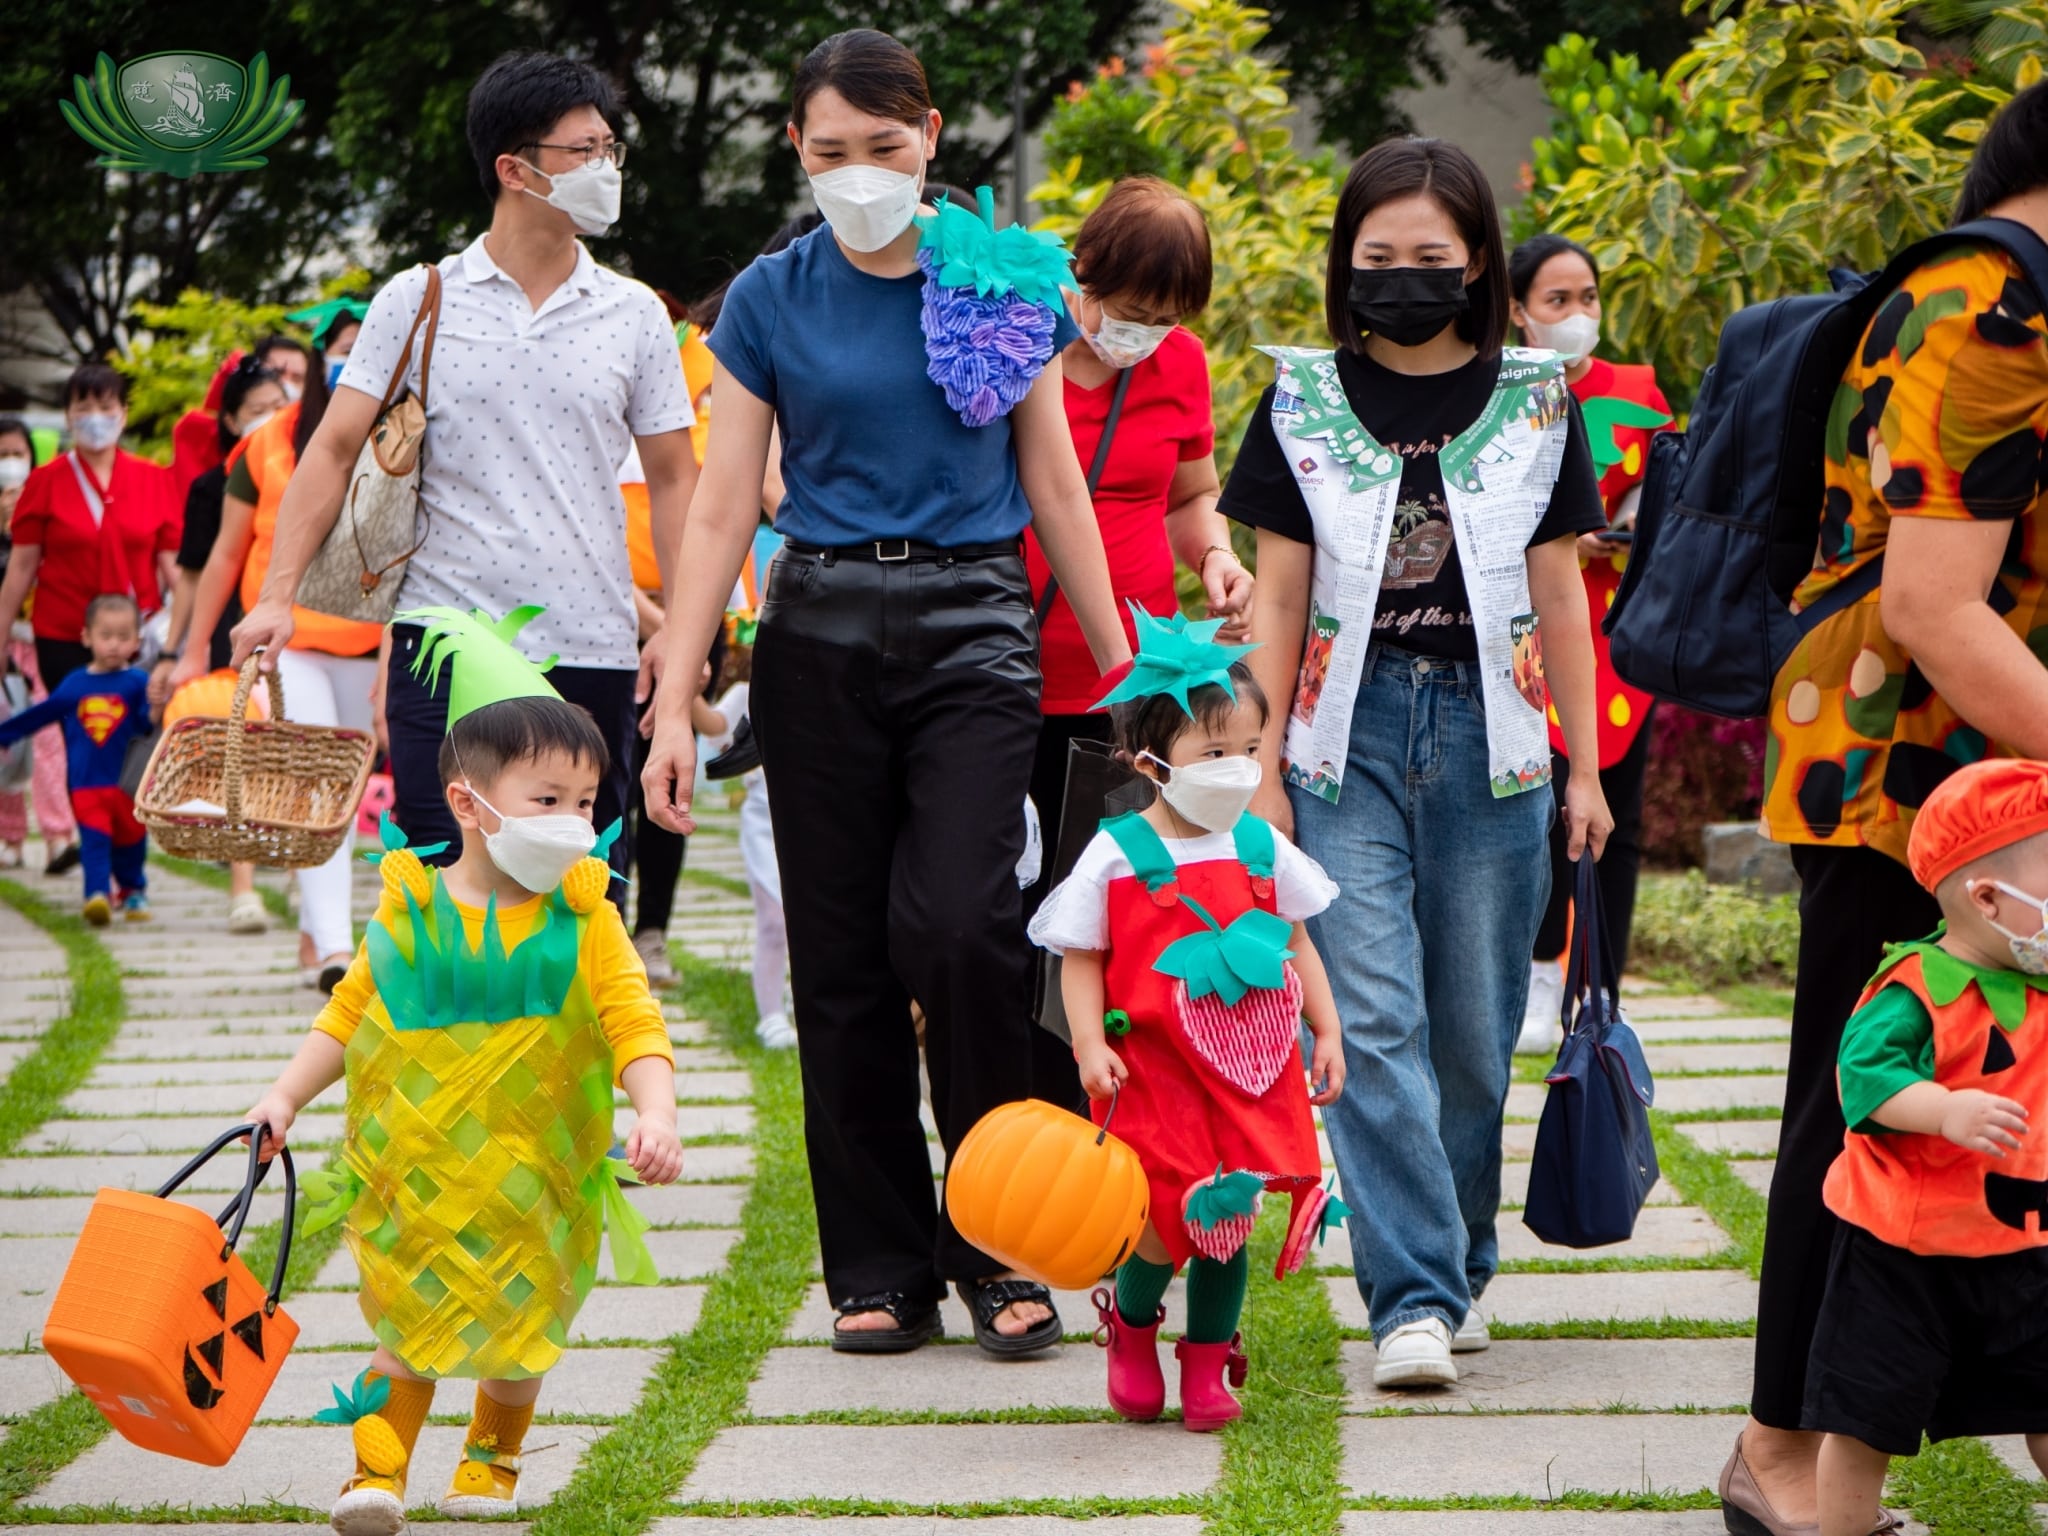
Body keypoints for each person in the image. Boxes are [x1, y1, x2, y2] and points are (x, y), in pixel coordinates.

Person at [641, 28, 1132, 1356]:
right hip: (815, 636)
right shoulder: (768, 298)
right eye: (833, 150)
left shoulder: (1006, 275)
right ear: (797, 149)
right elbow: (726, 505)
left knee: (971, 926)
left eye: (886, 146)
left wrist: (1129, 661)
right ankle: (874, 1262)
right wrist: (679, 697)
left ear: (932, 139)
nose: (861, 171)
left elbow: (1054, 481)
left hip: (975, 623)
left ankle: (996, 1240)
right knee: (842, 956)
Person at [1221, 136, 1614, 1389]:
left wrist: (1587, 771)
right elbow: (1277, 598)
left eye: (1427, 259)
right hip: (1345, 738)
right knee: (1371, 1018)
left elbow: (1561, 599)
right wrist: (1264, 759)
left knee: (1470, 1034)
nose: (1398, 276)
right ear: (1345, 264)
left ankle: (1459, 1260)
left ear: (1475, 262)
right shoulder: (1297, 401)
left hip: (1498, 739)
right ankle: (1410, 1301)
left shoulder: (1538, 402)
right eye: (1374, 257)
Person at [1732, 79, 2048, 1536]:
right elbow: (1932, 607)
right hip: (1908, 786)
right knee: (1855, 1105)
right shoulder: (1989, 304)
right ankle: (1780, 1457)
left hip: (1998, 774)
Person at [242, 605, 681, 1534]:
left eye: (586, 803)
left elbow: (634, 1021)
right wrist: (284, 1094)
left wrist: (658, 1111)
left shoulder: (587, 919)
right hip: (421, 1170)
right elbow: (350, 1013)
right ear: (469, 803)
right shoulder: (407, 913)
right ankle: (375, 1473)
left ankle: (493, 1456)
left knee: (520, 1342)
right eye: (548, 799)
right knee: (406, 1328)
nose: (574, 823)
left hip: (540, 1175)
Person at [230, 51, 699, 905]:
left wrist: (684, 626)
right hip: (444, 650)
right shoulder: (418, 298)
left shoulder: (633, 314)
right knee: (444, 896)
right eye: (582, 151)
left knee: (582, 911)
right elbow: (331, 450)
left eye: (610, 150)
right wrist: (275, 596)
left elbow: (676, 481)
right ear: (515, 170)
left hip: (590, 649)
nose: (606, 168)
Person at [1029, 619, 1343, 1431]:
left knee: (1224, 1223)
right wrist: (1091, 1044)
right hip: (1154, 1075)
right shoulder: (1116, 854)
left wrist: (1329, 1031)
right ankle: (1131, 1332)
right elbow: (1081, 956)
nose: (1236, 768)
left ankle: (1208, 1367)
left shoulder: (1262, 845)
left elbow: (1298, 942)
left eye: (1249, 747)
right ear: (1150, 763)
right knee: (1160, 1229)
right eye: (1214, 754)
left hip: (1249, 1073)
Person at [1022, 176, 1254, 1106]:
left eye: (1164, 318)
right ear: (1083, 275)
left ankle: (1113, 1129)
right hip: (1010, 678)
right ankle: (1021, 1130)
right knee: (1020, 922)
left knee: (1116, 917)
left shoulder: (1179, 364)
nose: (1141, 334)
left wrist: (1219, 560)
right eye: (1126, 311)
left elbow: (1190, 496)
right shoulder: (1020, 342)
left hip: (1130, 699)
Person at [1796, 757, 2048, 1536]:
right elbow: (1862, 1080)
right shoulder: (1912, 987)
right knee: (1864, 1418)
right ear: (1987, 897)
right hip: (1903, 1255)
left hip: (2024, 1242)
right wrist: (1941, 1109)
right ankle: (1845, 1526)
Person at [170, 309, 383, 991]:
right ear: (321, 360)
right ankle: (334, 951)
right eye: (346, 351)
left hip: (378, 648)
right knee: (317, 793)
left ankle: (318, 931)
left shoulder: (405, 433)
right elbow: (226, 553)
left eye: (370, 350)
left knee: (349, 799)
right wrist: (192, 648)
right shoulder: (266, 443)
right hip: (295, 645)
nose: (358, 361)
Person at [1507, 233, 1673, 1054]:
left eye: (1589, 298)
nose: (1579, 316)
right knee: (1541, 818)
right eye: (1557, 301)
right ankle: (1540, 979)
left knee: (1625, 819)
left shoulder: (1638, 390)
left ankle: (1602, 988)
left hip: (1621, 630)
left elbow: (1671, 482)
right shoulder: (1502, 393)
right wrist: (1569, 545)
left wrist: (1639, 520)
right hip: (1531, 634)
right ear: (1517, 312)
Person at [153, 356, 290, 936]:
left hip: (292, 627)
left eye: (278, 407)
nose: (270, 419)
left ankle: (289, 865)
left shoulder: (310, 464)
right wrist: (179, 648)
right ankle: (242, 886)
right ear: (231, 421)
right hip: (231, 631)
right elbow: (194, 571)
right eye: (255, 411)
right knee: (243, 755)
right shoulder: (213, 487)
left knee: (286, 752)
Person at [0, 364, 180, 728]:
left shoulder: (153, 479)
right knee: (83, 743)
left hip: (136, 639)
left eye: (106, 407)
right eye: (83, 409)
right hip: (65, 637)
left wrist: (190, 637)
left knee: (137, 743)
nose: (94, 418)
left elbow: (174, 567)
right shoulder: (44, 482)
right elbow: (21, 567)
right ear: (68, 417)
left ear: (123, 415)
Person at [0, 594, 153, 924]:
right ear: (87, 637)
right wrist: (6, 734)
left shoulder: (138, 683)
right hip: (86, 784)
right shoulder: (75, 684)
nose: (114, 645)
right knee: (94, 842)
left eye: (123, 637)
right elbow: (41, 714)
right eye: (106, 636)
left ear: (137, 641)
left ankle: (132, 890)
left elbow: (147, 726)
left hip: (128, 785)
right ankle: (96, 895)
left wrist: (154, 707)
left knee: (131, 842)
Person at [693, 679, 793, 1047]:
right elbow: (715, 724)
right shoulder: (748, 691)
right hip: (764, 821)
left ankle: (800, 997)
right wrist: (687, 687)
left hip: (820, 819)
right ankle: (771, 1016)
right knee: (774, 922)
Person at [0, 416, 77, 874]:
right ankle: (9, 835)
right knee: (7, 741)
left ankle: (57, 836)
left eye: (16, 454)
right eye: (1, 455)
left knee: (49, 739)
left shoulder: (46, 505)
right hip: (5, 644)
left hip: (39, 640)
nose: (9, 465)